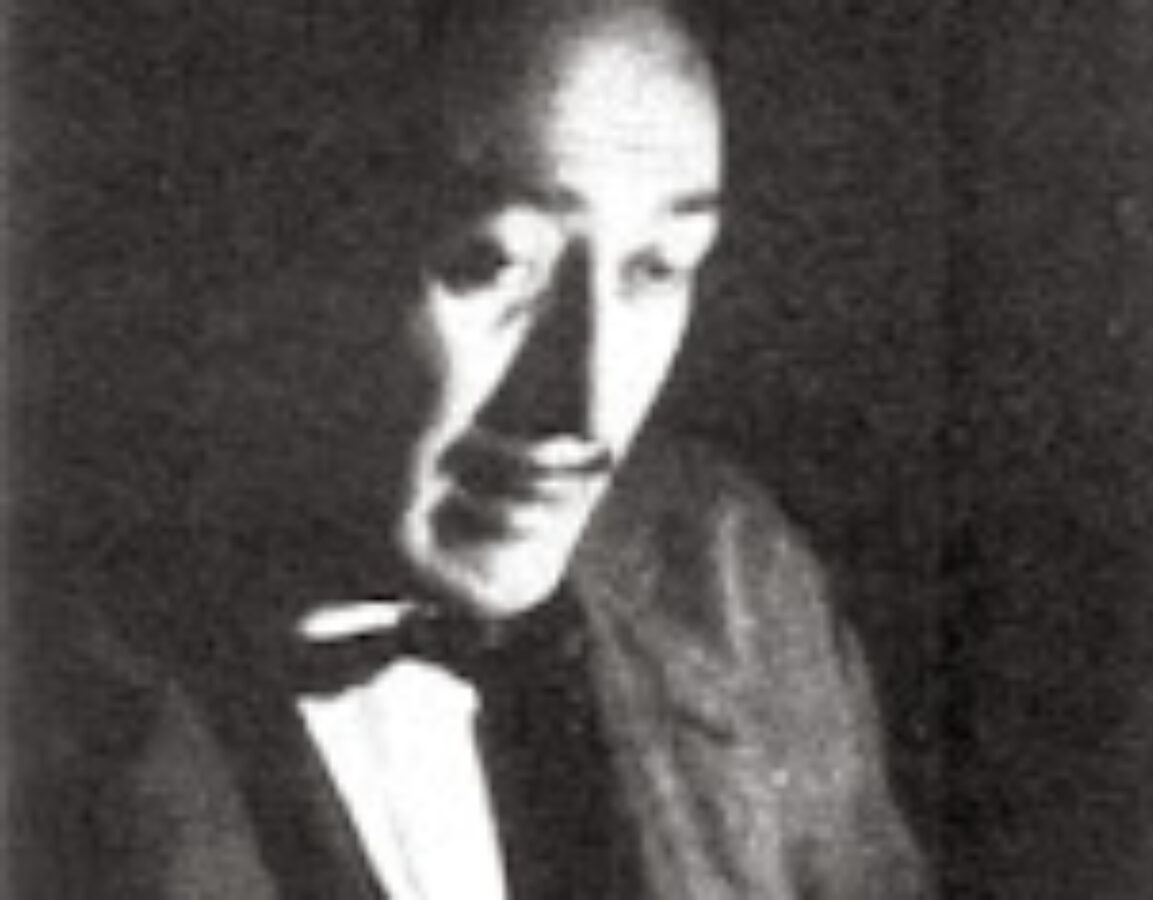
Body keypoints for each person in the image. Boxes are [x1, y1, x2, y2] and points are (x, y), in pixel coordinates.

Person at [29, 0, 928, 897]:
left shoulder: (727, 578)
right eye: (491, 265)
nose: (585, 407)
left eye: (657, 268)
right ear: (281, 247)